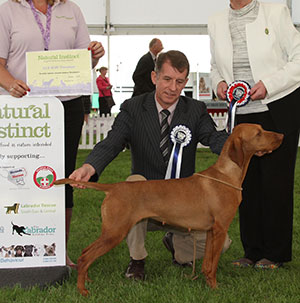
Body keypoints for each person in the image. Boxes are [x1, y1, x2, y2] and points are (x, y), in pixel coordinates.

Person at [69, 50, 231, 280]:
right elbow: (112, 142)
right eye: (167, 79)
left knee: (221, 244)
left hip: (183, 205)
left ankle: (176, 244)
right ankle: (137, 261)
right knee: (132, 187)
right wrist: (89, 167)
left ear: (186, 82)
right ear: (155, 78)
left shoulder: (195, 109)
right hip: (144, 202)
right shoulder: (133, 108)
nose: (173, 88)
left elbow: (213, 138)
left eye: (179, 81)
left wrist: (237, 142)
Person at [0, 0, 105, 269]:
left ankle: (58, 251)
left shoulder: (70, 9)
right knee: (15, 178)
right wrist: (8, 83)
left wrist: (93, 56)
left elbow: (80, 62)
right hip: (22, 110)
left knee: (62, 178)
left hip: (65, 108)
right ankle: (11, 248)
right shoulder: (7, 11)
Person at [208, 0, 300, 269]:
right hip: (241, 112)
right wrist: (219, 82)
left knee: (275, 182)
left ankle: (274, 254)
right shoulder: (216, 21)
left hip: (277, 105)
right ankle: (251, 251)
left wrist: (268, 84)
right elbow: (214, 67)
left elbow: (298, 60)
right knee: (243, 181)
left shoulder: (276, 13)